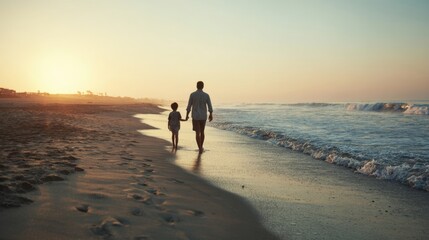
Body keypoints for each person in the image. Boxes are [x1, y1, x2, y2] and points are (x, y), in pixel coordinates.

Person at [186, 81, 213, 154]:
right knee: (202, 131)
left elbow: (189, 106)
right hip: (203, 116)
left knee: (197, 133)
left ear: (196, 86)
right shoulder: (206, 95)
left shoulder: (192, 94)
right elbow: (209, 105)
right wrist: (211, 114)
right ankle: (201, 146)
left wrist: (187, 115)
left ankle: (200, 148)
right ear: (203, 86)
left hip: (195, 116)